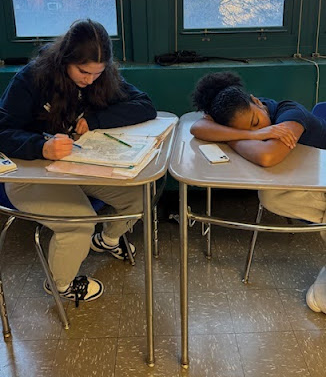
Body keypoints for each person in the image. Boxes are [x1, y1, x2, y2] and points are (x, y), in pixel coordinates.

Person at [0, 19, 157, 305]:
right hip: (31, 174)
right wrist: (41, 146)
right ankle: (60, 285)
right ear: (64, 60)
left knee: (138, 194)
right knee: (80, 223)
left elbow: (144, 104)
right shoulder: (31, 78)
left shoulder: (101, 77)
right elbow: (2, 132)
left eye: (97, 73)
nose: (89, 80)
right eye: (83, 72)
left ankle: (107, 241)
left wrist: (95, 120)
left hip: (74, 168)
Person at [191, 71, 326, 314]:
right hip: (302, 183)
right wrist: (253, 134)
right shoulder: (246, 112)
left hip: (319, 180)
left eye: (256, 122)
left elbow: (266, 156)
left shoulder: (290, 113)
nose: (263, 126)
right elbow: (197, 127)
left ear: (256, 101)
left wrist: (231, 138)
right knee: (270, 195)